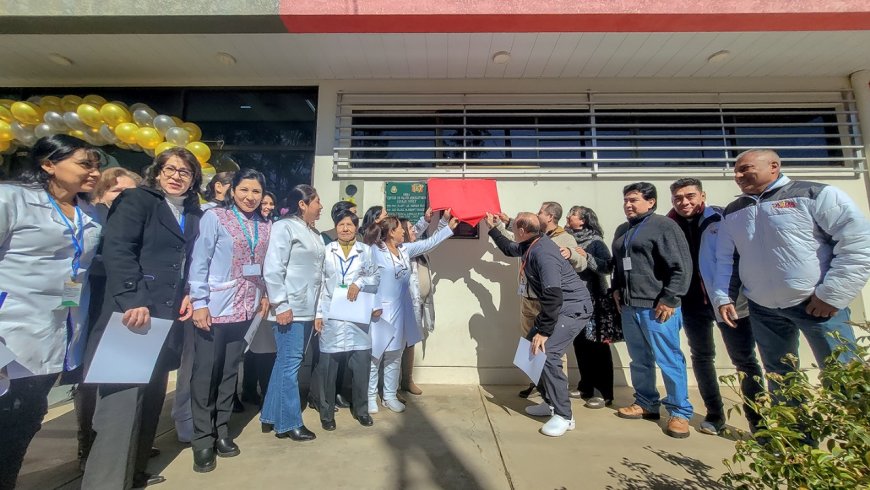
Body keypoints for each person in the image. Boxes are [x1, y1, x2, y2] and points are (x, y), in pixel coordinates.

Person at [82, 147, 203, 489]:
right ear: (157, 172)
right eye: (171, 169)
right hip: (134, 317)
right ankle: (104, 482)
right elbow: (118, 250)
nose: (177, 176)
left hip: (168, 320)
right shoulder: (137, 200)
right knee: (119, 410)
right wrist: (133, 298)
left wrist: (190, 294)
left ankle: (133, 473)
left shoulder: (191, 213)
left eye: (185, 171)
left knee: (150, 403)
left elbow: (188, 262)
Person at [712, 149, 869, 398]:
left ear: (774, 166)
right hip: (763, 310)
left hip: (817, 306)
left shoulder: (817, 195)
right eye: (736, 171)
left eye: (745, 169)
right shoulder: (733, 211)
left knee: (843, 376)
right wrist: (723, 297)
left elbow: (858, 245)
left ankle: (856, 435)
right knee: (780, 378)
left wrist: (832, 294)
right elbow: (726, 259)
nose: (738, 175)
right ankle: (795, 437)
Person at [0, 135, 102, 490]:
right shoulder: (11, 199)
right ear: (48, 165)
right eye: (84, 164)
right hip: (10, 336)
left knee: (23, 424)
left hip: (55, 335)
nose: (94, 172)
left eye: (96, 165)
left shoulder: (88, 212)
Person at [187, 168, 272, 473]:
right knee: (205, 376)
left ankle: (222, 431)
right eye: (245, 190)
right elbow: (200, 260)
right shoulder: (215, 218)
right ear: (232, 190)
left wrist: (264, 294)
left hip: (245, 309)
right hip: (214, 308)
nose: (251, 197)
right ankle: (202, 439)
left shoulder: (265, 225)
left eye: (257, 192)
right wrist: (198, 302)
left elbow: (262, 267)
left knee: (228, 374)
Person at [667, 178, 764, 435]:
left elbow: (739, 257)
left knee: (744, 361)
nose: (684, 202)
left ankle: (760, 424)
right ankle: (714, 414)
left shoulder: (721, 219)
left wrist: (731, 295)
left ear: (702, 195)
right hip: (692, 304)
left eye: (690, 196)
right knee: (701, 357)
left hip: (727, 300)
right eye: (678, 198)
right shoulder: (670, 224)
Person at [485, 212, 593, 437]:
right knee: (528, 352)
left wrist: (544, 331)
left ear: (522, 231)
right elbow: (509, 249)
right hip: (557, 306)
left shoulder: (544, 253)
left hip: (571, 307)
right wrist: (494, 228)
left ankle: (565, 416)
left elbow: (553, 295)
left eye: (514, 227)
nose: (512, 230)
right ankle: (550, 403)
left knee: (549, 354)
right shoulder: (531, 243)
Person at [611, 182, 693, 439]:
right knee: (639, 359)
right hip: (629, 306)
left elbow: (681, 266)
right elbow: (620, 265)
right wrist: (616, 288)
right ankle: (646, 403)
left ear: (651, 202)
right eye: (626, 200)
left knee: (669, 360)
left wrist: (669, 299)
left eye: (634, 200)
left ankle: (679, 412)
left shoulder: (664, 226)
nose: (628, 204)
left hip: (658, 308)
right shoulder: (624, 229)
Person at [74, 166, 141, 471]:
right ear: (101, 193)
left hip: (124, 302)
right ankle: (87, 442)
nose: (124, 197)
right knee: (90, 376)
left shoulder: (137, 219)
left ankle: (114, 446)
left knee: (119, 378)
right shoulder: (94, 216)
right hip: (92, 298)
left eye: (130, 192)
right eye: (117, 191)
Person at [366, 212, 457, 413]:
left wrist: (449, 227)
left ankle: (389, 396)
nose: (404, 232)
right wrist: (373, 304)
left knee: (395, 354)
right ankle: (370, 396)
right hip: (380, 310)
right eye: (400, 229)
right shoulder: (375, 251)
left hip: (401, 310)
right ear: (390, 232)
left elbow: (430, 243)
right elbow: (367, 279)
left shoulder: (405, 250)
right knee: (376, 355)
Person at [492, 202, 585, 398]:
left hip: (549, 304)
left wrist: (572, 254)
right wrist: (498, 226)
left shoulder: (564, 238)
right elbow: (513, 244)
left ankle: (556, 393)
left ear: (550, 217)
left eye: (541, 212)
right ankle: (539, 388)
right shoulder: (535, 237)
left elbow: (581, 262)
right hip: (528, 301)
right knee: (531, 349)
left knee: (550, 350)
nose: (537, 213)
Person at [261, 184, 324, 441]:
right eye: (317, 201)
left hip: (307, 309)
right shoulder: (284, 227)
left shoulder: (314, 233)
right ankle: (288, 423)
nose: (321, 206)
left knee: (285, 363)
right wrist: (281, 304)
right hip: (291, 309)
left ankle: (270, 415)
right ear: (303, 204)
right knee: (290, 365)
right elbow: (273, 268)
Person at [313, 205, 381, 430]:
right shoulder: (327, 250)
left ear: (356, 228)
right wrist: (319, 314)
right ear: (335, 228)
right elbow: (321, 283)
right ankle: (326, 414)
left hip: (357, 317)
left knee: (361, 366)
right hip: (332, 316)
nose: (344, 228)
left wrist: (358, 283)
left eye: (349, 225)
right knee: (328, 369)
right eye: (341, 225)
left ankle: (361, 410)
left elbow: (375, 277)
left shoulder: (366, 250)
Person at [564, 206, 619, 410]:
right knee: (580, 345)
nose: (569, 216)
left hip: (594, 301)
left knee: (598, 347)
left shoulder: (595, 242)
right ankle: (586, 385)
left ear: (583, 221)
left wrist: (586, 257)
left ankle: (604, 393)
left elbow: (607, 267)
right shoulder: (566, 239)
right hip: (574, 301)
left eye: (573, 214)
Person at [398, 209, 443, 396]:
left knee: (410, 343)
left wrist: (426, 219)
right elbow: (432, 242)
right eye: (409, 229)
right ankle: (393, 385)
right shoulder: (402, 251)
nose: (414, 230)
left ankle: (407, 380)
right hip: (405, 306)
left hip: (420, 304)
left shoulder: (415, 245)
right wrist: (445, 224)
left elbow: (419, 233)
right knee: (400, 345)